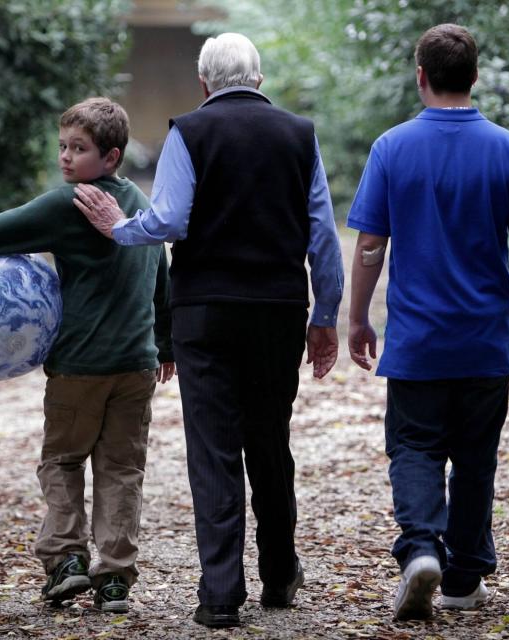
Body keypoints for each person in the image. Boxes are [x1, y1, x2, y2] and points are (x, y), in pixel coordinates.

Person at [73, 33, 344, 629]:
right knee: (270, 441)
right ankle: (279, 575)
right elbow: (321, 233)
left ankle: (220, 595)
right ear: (260, 79)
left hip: (204, 313)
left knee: (214, 448)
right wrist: (324, 317)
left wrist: (120, 226)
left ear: (203, 83)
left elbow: (170, 219)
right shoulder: (300, 135)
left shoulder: (187, 132)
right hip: (277, 309)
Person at [0, 97, 175, 614]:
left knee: (62, 460)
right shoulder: (141, 206)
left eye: (79, 149)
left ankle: (65, 562)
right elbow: (161, 275)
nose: (65, 158)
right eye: (62, 146)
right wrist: (166, 343)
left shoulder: (70, 204)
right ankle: (115, 579)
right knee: (123, 468)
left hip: (80, 366)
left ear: (111, 156)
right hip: (136, 366)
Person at [346, 24, 509, 621]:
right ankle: (463, 578)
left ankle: (419, 550)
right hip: (485, 339)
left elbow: (369, 245)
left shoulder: (392, 148)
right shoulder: (508, 149)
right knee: (475, 456)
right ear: (474, 77)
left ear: (421, 77)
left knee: (413, 446)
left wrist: (358, 318)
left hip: (417, 341)